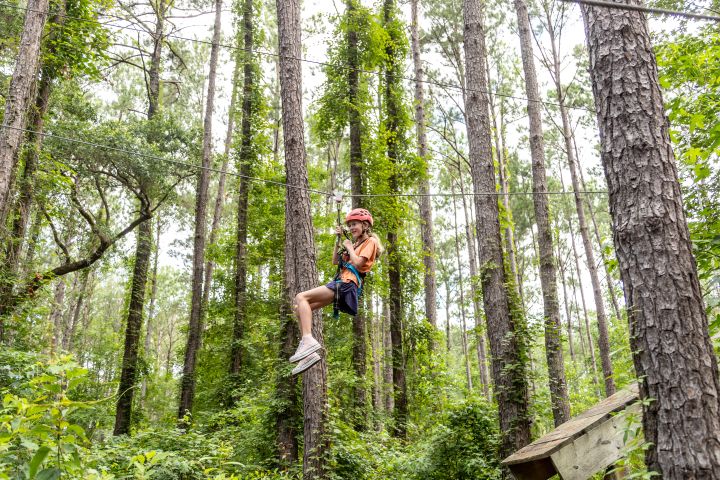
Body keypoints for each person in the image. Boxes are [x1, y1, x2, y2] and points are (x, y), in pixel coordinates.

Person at [289, 208, 382, 375]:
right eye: (350, 225)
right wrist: (339, 240)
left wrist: (349, 247)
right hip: (342, 284)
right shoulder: (355, 244)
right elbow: (335, 260)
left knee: (301, 297)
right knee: (300, 309)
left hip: (347, 284)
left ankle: (308, 340)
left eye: (355, 224)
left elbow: (358, 264)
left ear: (365, 225)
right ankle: (307, 356)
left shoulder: (370, 243)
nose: (352, 227)